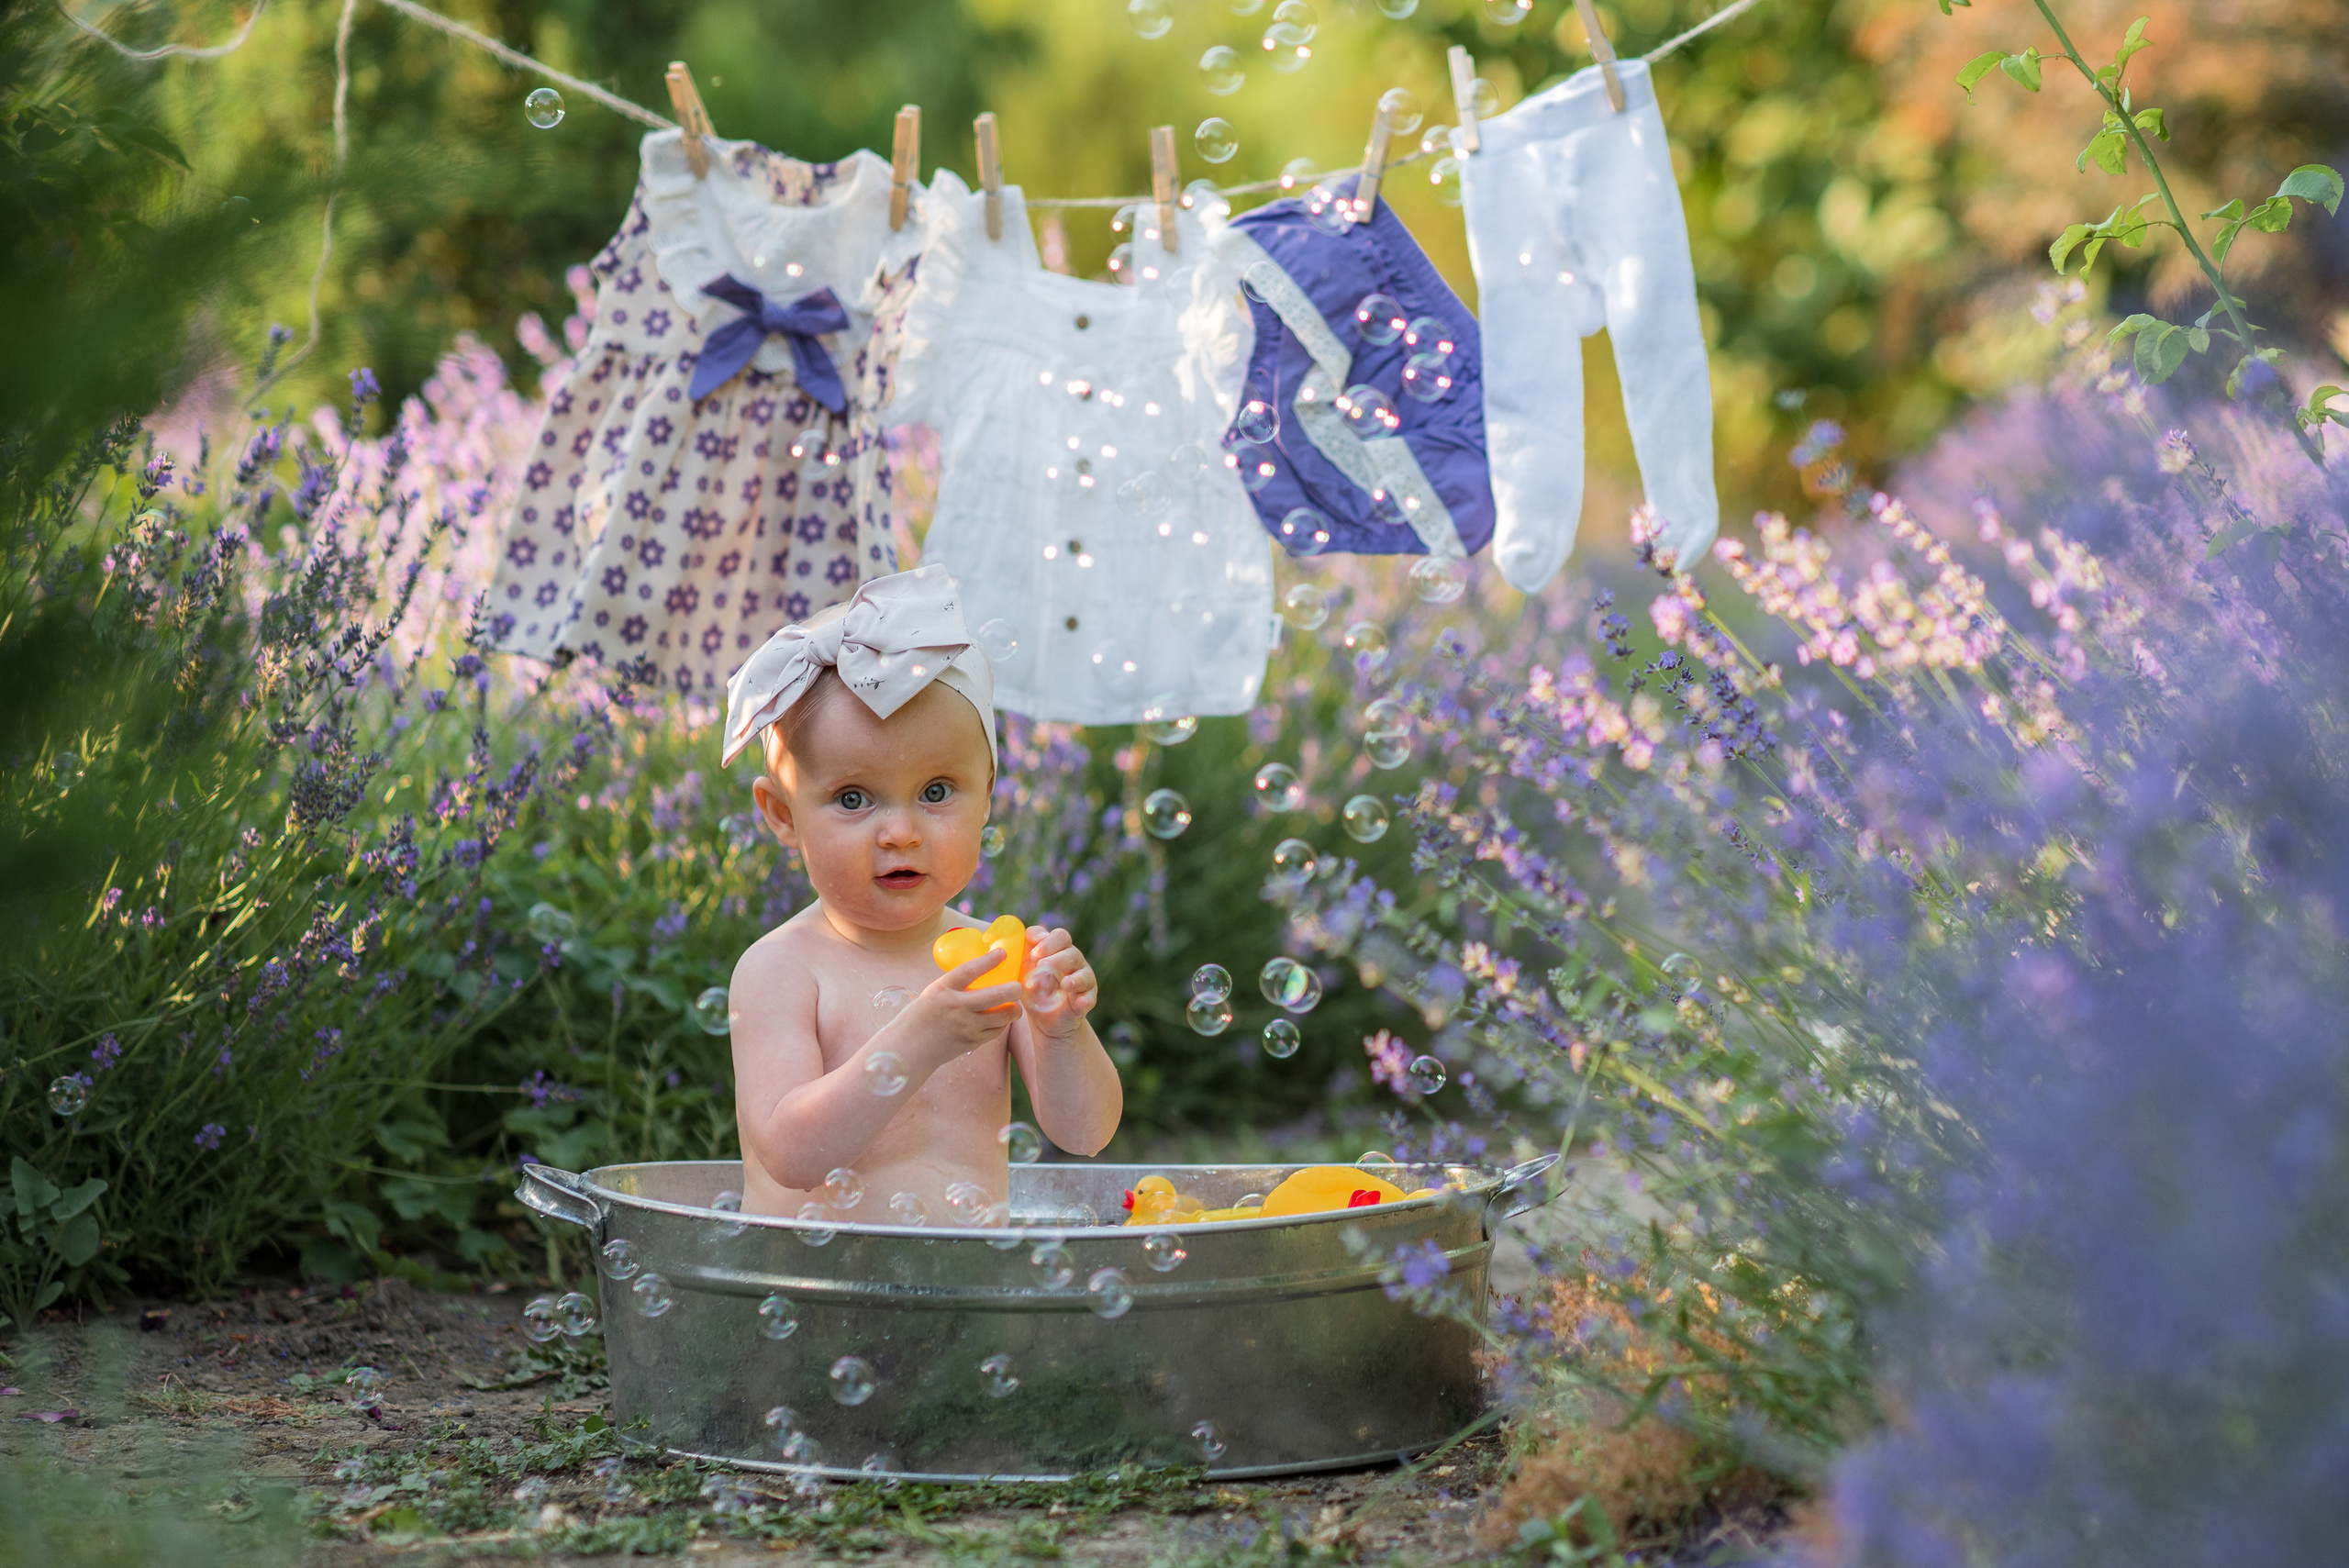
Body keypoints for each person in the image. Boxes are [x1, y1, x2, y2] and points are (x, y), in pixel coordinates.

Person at [717, 565, 1122, 1222]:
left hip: (962, 1304)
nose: (901, 832)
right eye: (853, 798)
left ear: (987, 793)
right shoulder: (780, 970)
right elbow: (791, 1157)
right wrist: (920, 1038)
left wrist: (1063, 1031)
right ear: (783, 813)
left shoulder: (994, 957)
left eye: (936, 792)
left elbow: (1086, 1134)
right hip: (819, 1294)